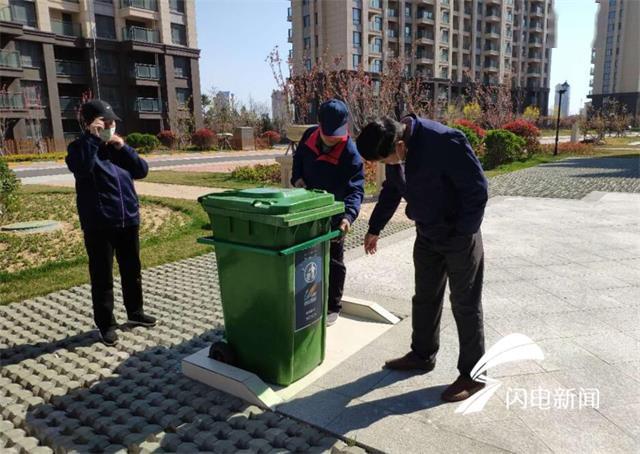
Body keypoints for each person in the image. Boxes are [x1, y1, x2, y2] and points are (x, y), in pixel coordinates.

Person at [356, 115, 489, 402]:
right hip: (427, 234)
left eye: (385, 161)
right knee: (425, 296)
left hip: (458, 235)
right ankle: (422, 354)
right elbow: (392, 190)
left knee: (465, 303)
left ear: (401, 145)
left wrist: (463, 234)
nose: (385, 166)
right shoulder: (394, 148)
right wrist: (375, 228)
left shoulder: (446, 141)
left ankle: (474, 375)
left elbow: (478, 190)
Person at [66, 99, 156, 346]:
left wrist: (123, 147)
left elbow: (141, 170)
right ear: (89, 124)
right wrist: (93, 139)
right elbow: (81, 169)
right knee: (102, 276)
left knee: (132, 269)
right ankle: (106, 324)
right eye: (104, 122)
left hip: (128, 220)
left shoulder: (117, 149)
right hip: (99, 224)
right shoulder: (79, 148)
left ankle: (135, 312)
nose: (110, 125)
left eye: (112, 122)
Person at [291, 99, 365, 326]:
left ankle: (333, 305)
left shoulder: (350, 152)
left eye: (337, 134)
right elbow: (298, 161)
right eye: (329, 133)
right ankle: (306, 299)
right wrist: (297, 178)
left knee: (334, 261)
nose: (333, 138)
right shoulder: (309, 137)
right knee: (305, 257)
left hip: (335, 214)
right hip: (308, 210)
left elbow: (356, 188)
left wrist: (348, 216)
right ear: (320, 126)